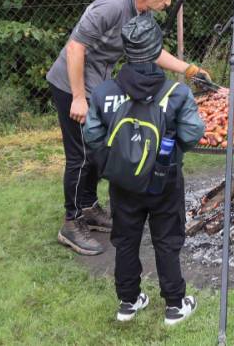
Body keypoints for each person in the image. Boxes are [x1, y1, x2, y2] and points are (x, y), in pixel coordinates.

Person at [46, 0, 209, 256]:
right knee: (80, 156)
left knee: (98, 149)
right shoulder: (111, 6)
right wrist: (78, 98)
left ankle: (89, 208)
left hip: (96, 87)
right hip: (71, 85)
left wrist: (189, 70)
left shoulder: (143, 15)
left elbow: (152, 51)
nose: (168, 3)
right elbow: (74, 48)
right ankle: (71, 222)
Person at [82, 16, 204, 325]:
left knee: (125, 240)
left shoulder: (103, 92)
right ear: (157, 50)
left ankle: (128, 302)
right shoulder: (176, 93)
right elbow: (193, 133)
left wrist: (117, 161)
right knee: (167, 240)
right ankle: (175, 306)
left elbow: (92, 136)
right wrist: (171, 152)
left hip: (123, 184)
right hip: (165, 180)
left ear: (126, 50)